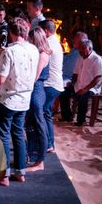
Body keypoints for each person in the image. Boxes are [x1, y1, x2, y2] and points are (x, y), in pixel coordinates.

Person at [0, 17, 38, 184]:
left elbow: (0, 79)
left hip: (8, 99)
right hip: (25, 99)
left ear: (11, 33)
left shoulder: (9, 52)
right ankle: (20, 171)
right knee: (18, 134)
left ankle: (4, 175)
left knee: (2, 135)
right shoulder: (34, 50)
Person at [59, 39, 102, 126]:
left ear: (90, 49)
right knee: (63, 92)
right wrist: (72, 84)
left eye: (83, 48)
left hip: (92, 87)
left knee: (83, 97)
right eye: (80, 48)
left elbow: (98, 77)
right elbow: (75, 73)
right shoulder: (80, 58)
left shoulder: (97, 60)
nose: (80, 51)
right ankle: (67, 116)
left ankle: (81, 120)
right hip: (79, 85)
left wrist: (85, 89)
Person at [26, 27, 52, 171]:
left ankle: (40, 161)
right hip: (34, 89)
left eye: (30, 39)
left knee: (39, 124)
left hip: (36, 90)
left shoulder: (42, 54)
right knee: (30, 124)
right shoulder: (37, 53)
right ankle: (32, 154)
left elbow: (35, 76)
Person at [39, 20, 64, 153]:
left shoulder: (48, 44)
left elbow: (42, 63)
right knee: (46, 113)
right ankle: (50, 143)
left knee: (41, 113)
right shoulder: (55, 42)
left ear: (46, 31)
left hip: (50, 84)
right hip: (55, 84)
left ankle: (47, 143)